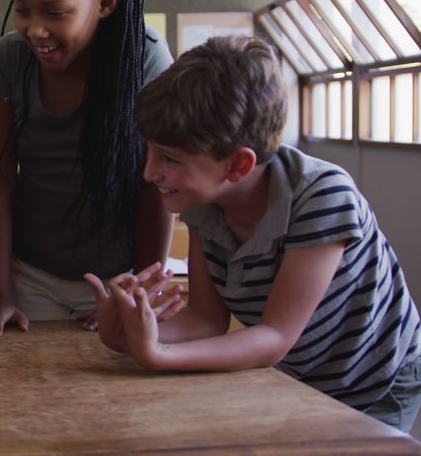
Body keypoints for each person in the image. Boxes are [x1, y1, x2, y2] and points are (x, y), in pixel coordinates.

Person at [89, 35, 421, 432]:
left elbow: (274, 336)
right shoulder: (201, 204)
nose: (148, 173)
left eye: (169, 159)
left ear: (237, 165)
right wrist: (128, 333)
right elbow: (205, 320)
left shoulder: (322, 196)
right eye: (151, 152)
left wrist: (158, 354)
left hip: (374, 384)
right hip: (298, 380)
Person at [0, 0, 175, 336]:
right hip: (30, 278)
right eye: (22, 9)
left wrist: (137, 291)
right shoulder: (10, 58)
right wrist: (0, 292)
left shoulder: (145, 60)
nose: (34, 30)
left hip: (118, 278)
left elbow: (156, 184)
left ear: (106, 2)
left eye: (55, 13)